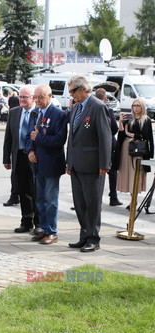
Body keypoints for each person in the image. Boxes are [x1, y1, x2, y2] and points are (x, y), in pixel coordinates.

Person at [66, 75, 112, 252]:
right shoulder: (76, 107)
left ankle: (93, 238)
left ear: (83, 89)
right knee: (80, 204)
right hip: (76, 164)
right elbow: (72, 137)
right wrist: (69, 161)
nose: (71, 95)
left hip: (93, 165)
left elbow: (105, 138)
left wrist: (104, 164)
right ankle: (84, 235)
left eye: (73, 91)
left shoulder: (98, 107)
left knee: (92, 203)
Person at [25, 84, 67, 245]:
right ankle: (43, 228)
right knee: (40, 199)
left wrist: (38, 139)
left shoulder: (59, 115)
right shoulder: (35, 113)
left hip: (51, 163)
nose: (38, 100)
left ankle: (52, 231)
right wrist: (30, 151)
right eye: (36, 97)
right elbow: (28, 136)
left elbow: (59, 140)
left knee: (50, 200)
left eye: (41, 97)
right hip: (36, 163)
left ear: (49, 96)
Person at [3, 85, 41, 234]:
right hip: (18, 154)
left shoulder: (38, 113)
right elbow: (8, 137)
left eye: (25, 97)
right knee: (23, 190)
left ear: (33, 98)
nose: (22, 99)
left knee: (36, 189)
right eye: (20, 96)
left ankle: (38, 222)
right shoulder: (14, 112)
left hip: (34, 155)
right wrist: (7, 158)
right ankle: (26, 221)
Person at [114, 98, 154, 201]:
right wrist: (121, 123)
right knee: (128, 173)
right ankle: (133, 201)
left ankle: (134, 201)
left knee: (136, 173)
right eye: (134, 106)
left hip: (139, 149)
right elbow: (121, 135)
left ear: (142, 107)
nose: (135, 108)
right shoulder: (129, 118)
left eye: (138, 106)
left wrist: (133, 135)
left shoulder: (146, 119)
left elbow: (147, 136)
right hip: (126, 148)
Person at [94, 88, 123, 206]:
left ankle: (96, 198)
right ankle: (113, 197)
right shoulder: (108, 110)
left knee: (96, 173)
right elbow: (115, 129)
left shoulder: (93, 110)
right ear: (104, 98)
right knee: (112, 171)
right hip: (109, 144)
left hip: (96, 145)